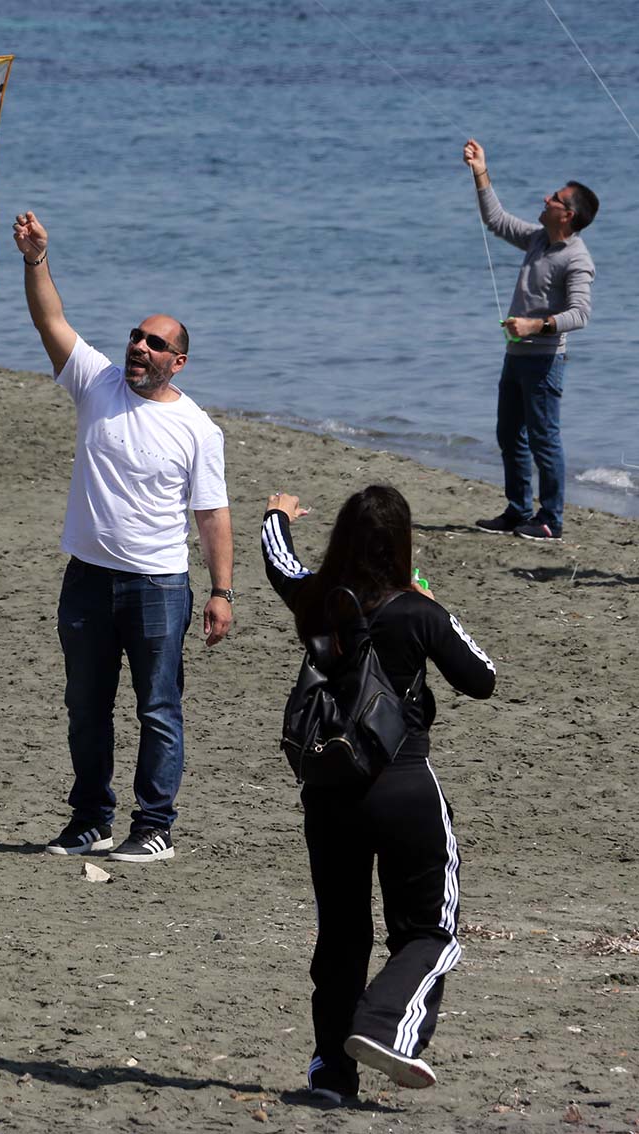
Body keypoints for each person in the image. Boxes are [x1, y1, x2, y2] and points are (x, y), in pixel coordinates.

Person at [262, 485, 495, 1104]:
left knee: (341, 935)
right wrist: (432, 604)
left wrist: (276, 516)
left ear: (341, 539)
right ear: (401, 546)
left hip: (330, 790)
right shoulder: (419, 613)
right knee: (428, 932)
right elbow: (482, 679)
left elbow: (279, 561)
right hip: (403, 789)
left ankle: (331, 1074)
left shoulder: (317, 600)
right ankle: (385, 1027)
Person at [13, 209, 233, 863]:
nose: (139, 346)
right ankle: (90, 821)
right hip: (85, 578)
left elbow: (212, 514)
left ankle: (154, 826)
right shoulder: (97, 383)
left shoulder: (198, 429)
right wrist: (35, 258)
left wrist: (221, 591)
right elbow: (51, 320)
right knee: (86, 707)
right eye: (136, 336)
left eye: (155, 343)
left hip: (159, 585)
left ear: (178, 361)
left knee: (158, 709)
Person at [463, 138, 598, 542]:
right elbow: (497, 220)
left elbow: (580, 315)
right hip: (516, 357)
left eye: (554, 198)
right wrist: (480, 171)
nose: (546, 198)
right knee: (509, 434)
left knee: (544, 440)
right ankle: (519, 510)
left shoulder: (577, 259)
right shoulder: (539, 237)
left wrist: (533, 326)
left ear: (567, 215)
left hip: (544, 362)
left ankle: (550, 520)